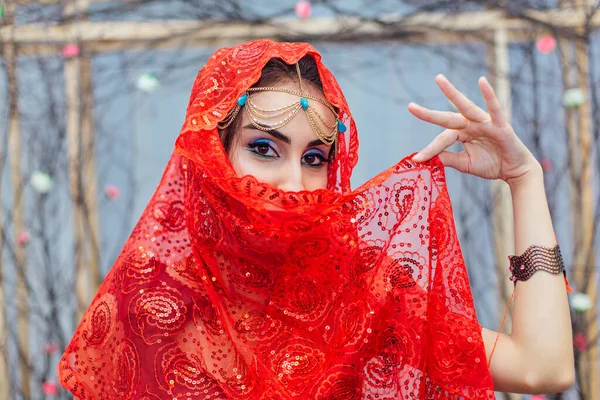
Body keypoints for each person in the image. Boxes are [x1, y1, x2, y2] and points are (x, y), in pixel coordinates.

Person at [58, 39, 574, 399]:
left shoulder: (362, 295)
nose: (295, 183)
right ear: (213, 156)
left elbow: (542, 366)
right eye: (264, 148)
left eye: (314, 159)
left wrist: (524, 180)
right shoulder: (153, 306)